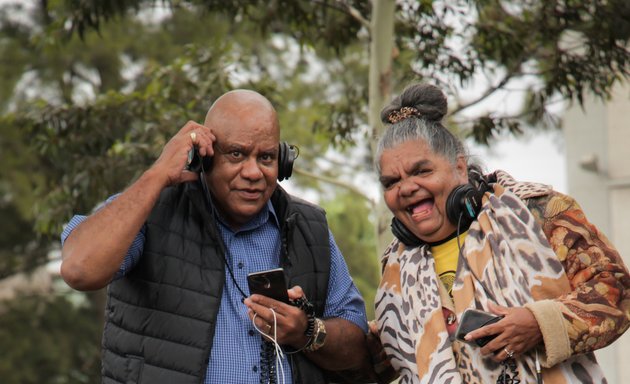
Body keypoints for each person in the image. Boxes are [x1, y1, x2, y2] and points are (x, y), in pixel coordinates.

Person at [60, 89, 371, 383]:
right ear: (203, 159)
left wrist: (305, 331)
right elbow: (80, 270)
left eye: (265, 157)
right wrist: (157, 175)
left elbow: (357, 348)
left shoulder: (309, 227)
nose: (253, 172)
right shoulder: (150, 211)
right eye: (236, 154)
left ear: (283, 162)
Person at [371, 83, 630, 383]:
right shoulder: (395, 268)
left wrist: (540, 323)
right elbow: (383, 360)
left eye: (421, 171)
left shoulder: (538, 210)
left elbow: (617, 291)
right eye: (391, 182)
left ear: (459, 165)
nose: (406, 188)